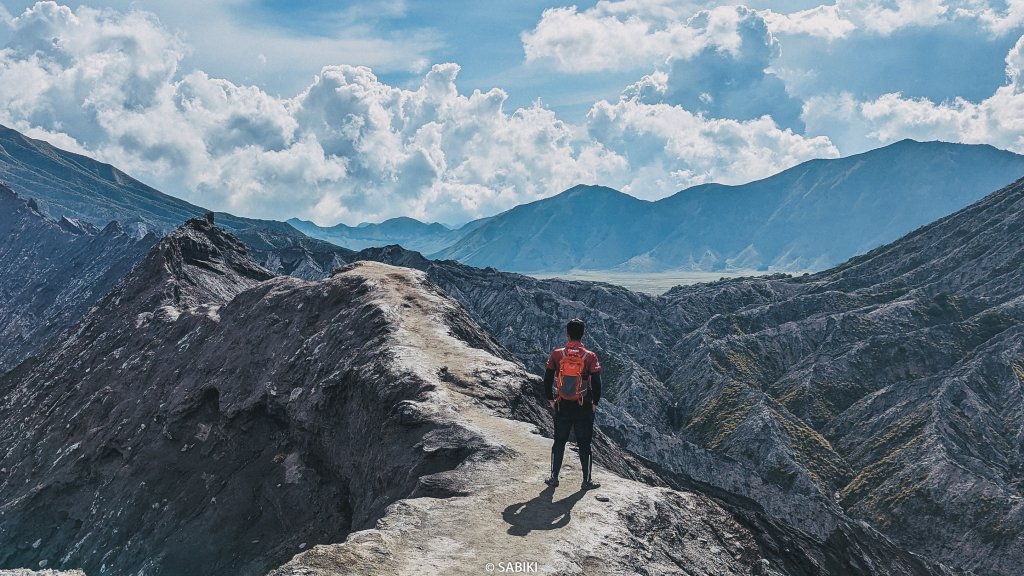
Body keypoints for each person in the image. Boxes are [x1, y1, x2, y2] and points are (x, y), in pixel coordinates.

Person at [543, 318, 603, 490]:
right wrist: (595, 403)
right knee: (584, 443)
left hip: (562, 404)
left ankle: (554, 477)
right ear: (583, 334)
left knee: (559, 441)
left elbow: (547, 380)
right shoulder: (589, 356)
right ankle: (586, 481)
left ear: (567, 334)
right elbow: (597, 383)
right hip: (583, 404)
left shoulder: (557, 354)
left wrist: (551, 400)